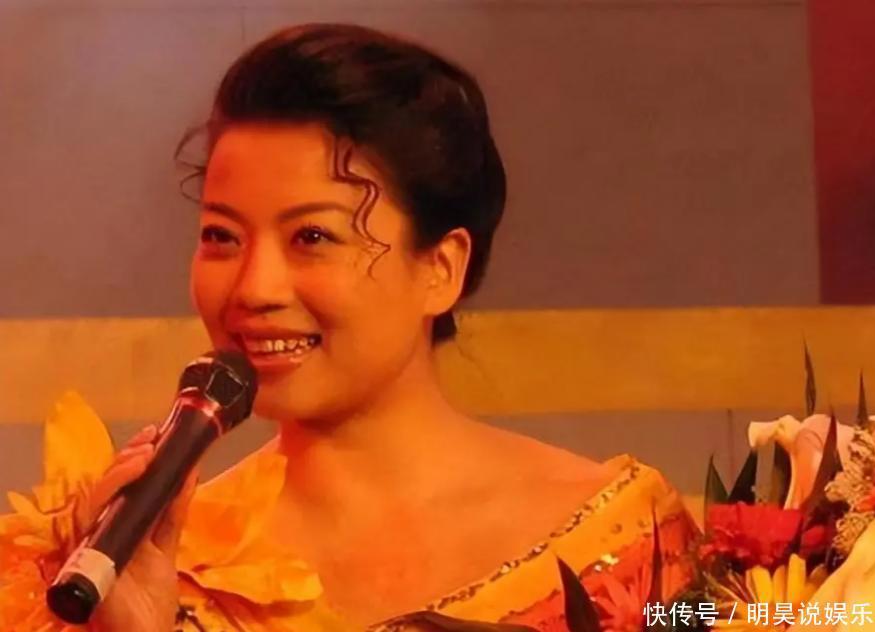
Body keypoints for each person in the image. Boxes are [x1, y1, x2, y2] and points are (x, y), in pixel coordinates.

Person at [0, 23, 698, 631]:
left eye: (312, 237)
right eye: (221, 237)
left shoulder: (626, 538)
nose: (253, 288)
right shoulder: (144, 564)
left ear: (440, 267)